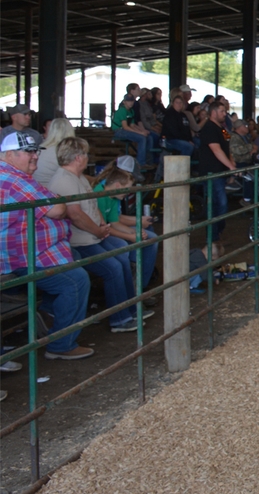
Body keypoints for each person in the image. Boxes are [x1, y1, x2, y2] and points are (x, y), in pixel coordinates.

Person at [1, 132, 94, 360]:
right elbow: (58, 209)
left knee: (74, 256)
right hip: (21, 255)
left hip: (34, 249)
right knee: (76, 280)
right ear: (10, 155)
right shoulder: (14, 179)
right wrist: (55, 203)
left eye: (35, 151)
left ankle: (49, 314)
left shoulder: (19, 176)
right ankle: (61, 344)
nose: (35, 157)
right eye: (29, 152)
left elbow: (52, 202)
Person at [48, 137, 152, 332]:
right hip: (80, 241)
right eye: (85, 154)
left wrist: (101, 225)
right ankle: (119, 319)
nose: (87, 158)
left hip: (93, 235)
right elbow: (76, 215)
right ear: (78, 157)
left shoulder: (78, 178)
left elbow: (92, 207)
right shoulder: (64, 180)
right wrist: (98, 229)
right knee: (113, 267)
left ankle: (131, 308)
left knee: (121, 260)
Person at [94, 164, 158, 293]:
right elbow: (104, 226)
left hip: (107, 230)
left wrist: (134, 231)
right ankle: (132, 288)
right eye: (127, 188)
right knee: (125, 244)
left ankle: (139, 285)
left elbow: (114, 221)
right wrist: (131, 236)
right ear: (118, 185)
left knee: (150, 238)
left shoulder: (112, 196)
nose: (128, 192)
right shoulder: (100, 195)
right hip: (99, 234)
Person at [197, 101, 236, 240]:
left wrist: (231, 164)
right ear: (213, 112)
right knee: (218, 204)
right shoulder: (209, 128)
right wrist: (231, 167)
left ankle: (216, 234)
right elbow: (216, 149)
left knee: (219, 204)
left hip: (220, 172)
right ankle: (213, 236)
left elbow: (226, 147)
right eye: (222, 111)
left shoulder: (222, 128)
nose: (225, 114)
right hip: (212, 172)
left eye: (224, 111)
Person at [112, 94, 156, 166]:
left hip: (125, 129)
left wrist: (143, 130)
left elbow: (132, 125)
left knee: (149, 137)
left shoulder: (131, 111)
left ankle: (149, 161)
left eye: (132, 101)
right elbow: (125, 127)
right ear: (124, 102)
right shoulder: (122, 111)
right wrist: (140, 133)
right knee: (142, 138)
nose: (130, 103)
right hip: (119, 130)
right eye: (128, 101)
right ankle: (140, 163)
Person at [33, 117, 76, 186]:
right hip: (52, 191)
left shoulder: (41, 148)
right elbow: (75, 176)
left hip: (37, 188)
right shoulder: (64, 150)